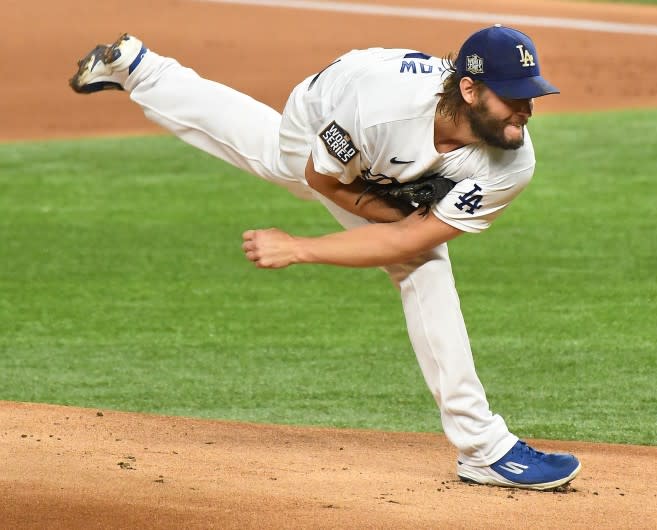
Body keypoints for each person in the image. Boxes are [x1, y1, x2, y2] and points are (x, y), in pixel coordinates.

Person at [69, 24, 581, 491]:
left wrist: (385, 225)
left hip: (371, 130)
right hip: (323, 110)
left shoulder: (512, 161)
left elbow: (412, 236)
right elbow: (322, 180)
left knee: (410, 246)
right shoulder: (380, 111)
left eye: (531, 96)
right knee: (321, 188)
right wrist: (302, 247)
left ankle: (141, 68)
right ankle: (484, 449)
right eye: (513, 97)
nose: (525, 110)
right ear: (469, 90)